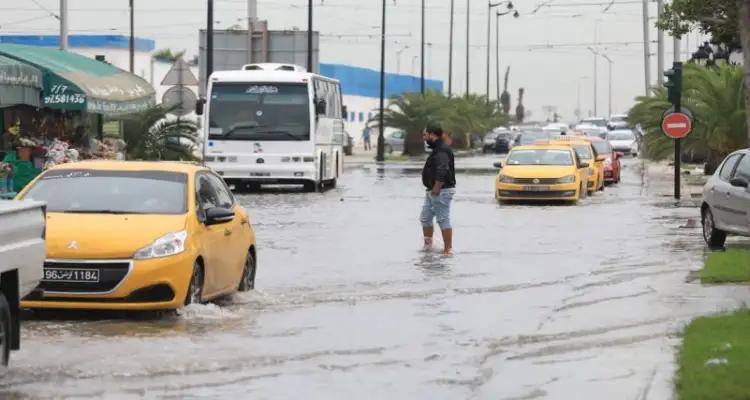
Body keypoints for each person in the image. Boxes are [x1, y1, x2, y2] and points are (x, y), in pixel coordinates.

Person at [420, 123, 456, 256]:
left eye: (425, 135)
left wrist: (436, 187)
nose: (424, 138)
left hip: (441, 190)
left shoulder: (441, 149)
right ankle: (428, 246)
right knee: (425, 217)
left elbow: (443, 168)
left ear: (432, 134)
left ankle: (448, 250)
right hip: (432, 191)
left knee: (442, 219)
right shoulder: (437, 149)